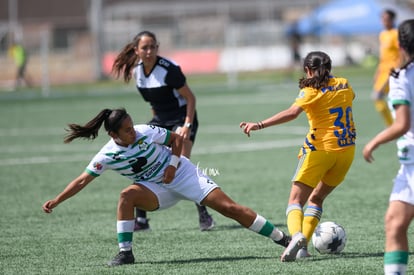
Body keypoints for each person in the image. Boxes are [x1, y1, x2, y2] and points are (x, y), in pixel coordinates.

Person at [41, 108, 291, 266]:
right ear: (113, 134)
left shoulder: (145, 131)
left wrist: (172, 166)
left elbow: (177, 140)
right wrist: (57, 200)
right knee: (126, 195)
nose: (133, 132)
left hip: (182, 173)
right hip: (154, 189)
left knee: (230, 208)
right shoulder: (107, 156)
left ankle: (283, 240)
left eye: (132, 126)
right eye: (127, 130)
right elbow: (82, 180)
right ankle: (125, 253)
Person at [240, 51, 356, 262]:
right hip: (347, 152)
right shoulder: (345, 83)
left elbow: (292, 113)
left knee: (294, 201)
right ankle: (303, 250)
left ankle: (296, 236)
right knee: (317, 198)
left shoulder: (310, 90)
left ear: (307, 70)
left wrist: (259, 124)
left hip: (320, 150)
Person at [111, 30, 215, 232]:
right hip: (160, 120)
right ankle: (141, 220)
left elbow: (190, 98)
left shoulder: (169, 69)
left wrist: (186, 125)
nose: (149, 51)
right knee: (141, 157)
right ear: (136, 50)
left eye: (153, 47)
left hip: (181, 118)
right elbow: (153, 102)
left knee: (182, 164)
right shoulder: (137, 72)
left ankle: (205, 216)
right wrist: (154, 126)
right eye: (145, 47)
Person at [363, 19, 414, 275]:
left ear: (400, 44)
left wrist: (374, 141)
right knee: (394, 223)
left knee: (395, 224)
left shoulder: (401, 77)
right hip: (409, 168)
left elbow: (402, 124)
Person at [372, 9, 400, 127]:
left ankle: (396, 126)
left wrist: (394, 72)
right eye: (382, 19)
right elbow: (383, 56)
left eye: (386, 19)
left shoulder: (396, 34)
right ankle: (394, 126)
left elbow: (401, 55)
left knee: (380, 97)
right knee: (379, 99)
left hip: (392, 72)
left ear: (392, 20)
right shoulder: (382, 34)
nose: (384, 21)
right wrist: (377, 72)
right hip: (382, 71)